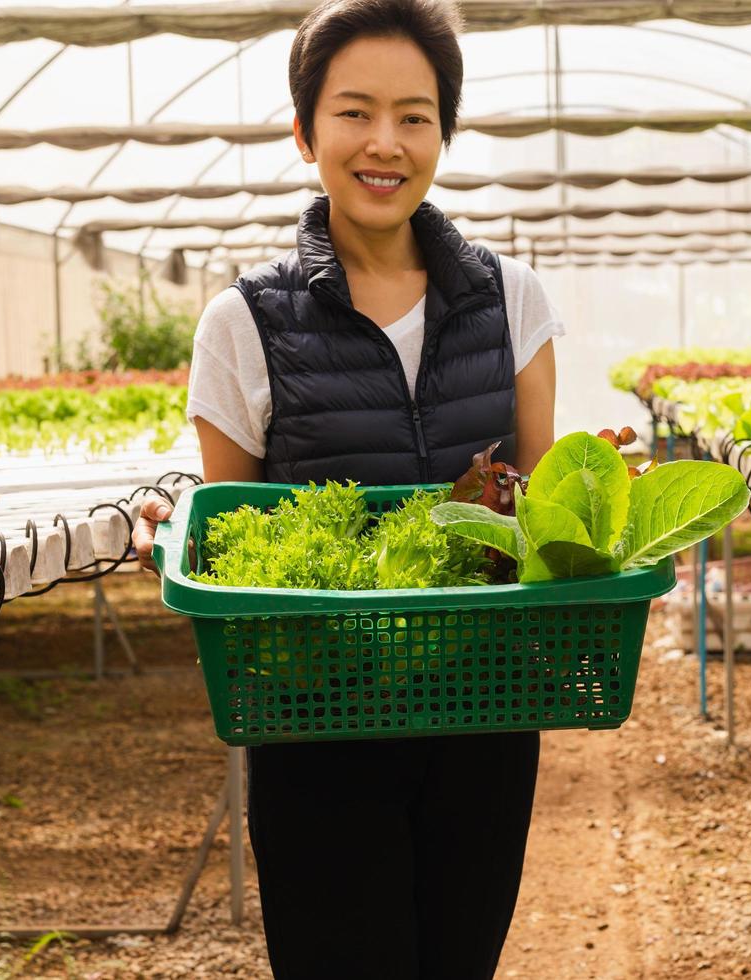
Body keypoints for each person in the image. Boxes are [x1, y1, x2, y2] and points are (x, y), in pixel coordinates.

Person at [131, 0, 564, 974]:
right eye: (354, 112)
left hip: (483, 717)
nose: (385, 143)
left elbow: (547, 508)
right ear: (304, 131)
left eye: (415, 116)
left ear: (444, 134)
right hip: (316, 725)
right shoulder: (242, 325)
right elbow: (241, 547)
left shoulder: (515, 301)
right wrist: (183, 536)